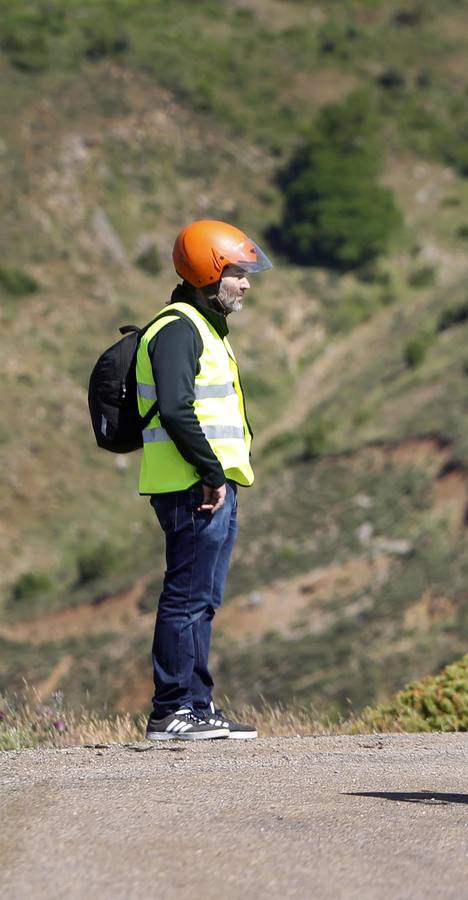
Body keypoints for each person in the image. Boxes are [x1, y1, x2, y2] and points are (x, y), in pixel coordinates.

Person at [137, 220, 270, 741]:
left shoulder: (201, 327)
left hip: (211, 486)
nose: (246, 283)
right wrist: (211, 474)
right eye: (237, 273)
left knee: (203, 600)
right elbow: (174, 408)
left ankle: (197, 705)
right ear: (207, 272)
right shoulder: (177, 329)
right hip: (193, 486)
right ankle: (172, 710)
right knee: (186, 597)